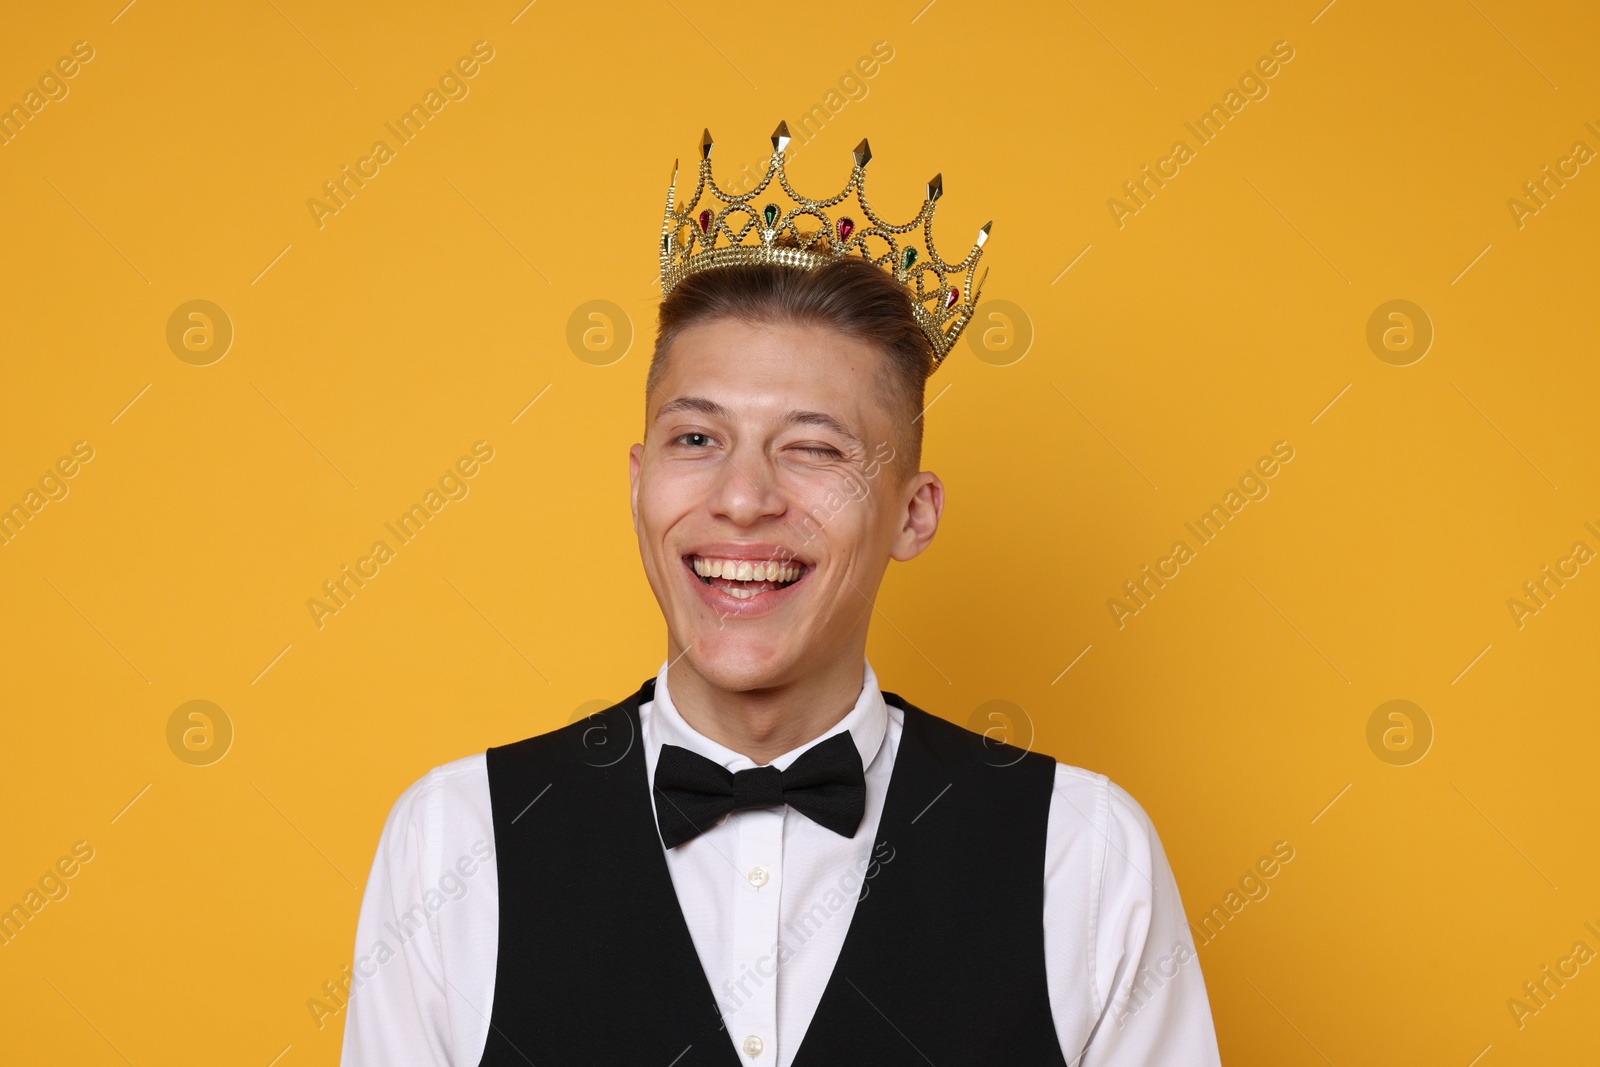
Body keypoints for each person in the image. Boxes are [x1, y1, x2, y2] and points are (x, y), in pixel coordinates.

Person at [339, 123, 1222, 1066]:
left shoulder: (1086, 858)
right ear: (637, 484)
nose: (744, 498)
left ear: (914, 514)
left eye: (814, 447)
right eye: (695, 439)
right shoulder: (452, 841)